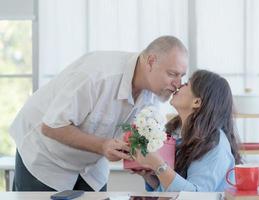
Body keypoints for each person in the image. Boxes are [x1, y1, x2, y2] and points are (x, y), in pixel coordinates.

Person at [9, 36, 188, 191]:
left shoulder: (156, 93)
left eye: (182, 76)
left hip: (90, 167)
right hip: (45, 156)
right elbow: (51, 126)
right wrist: (103, 146)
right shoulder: (97, 75)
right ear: (150, 62)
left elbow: (127, 133)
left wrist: (138, 156)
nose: (178, 84)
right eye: (173, 74)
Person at [134, 70, 242, 192]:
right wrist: (150, 177)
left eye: (186, 84)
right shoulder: (178, 134)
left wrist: (159, 165)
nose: (179, 85)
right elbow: (175, 189)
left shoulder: (214, 144)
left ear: (196, 102)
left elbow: (195, 196)